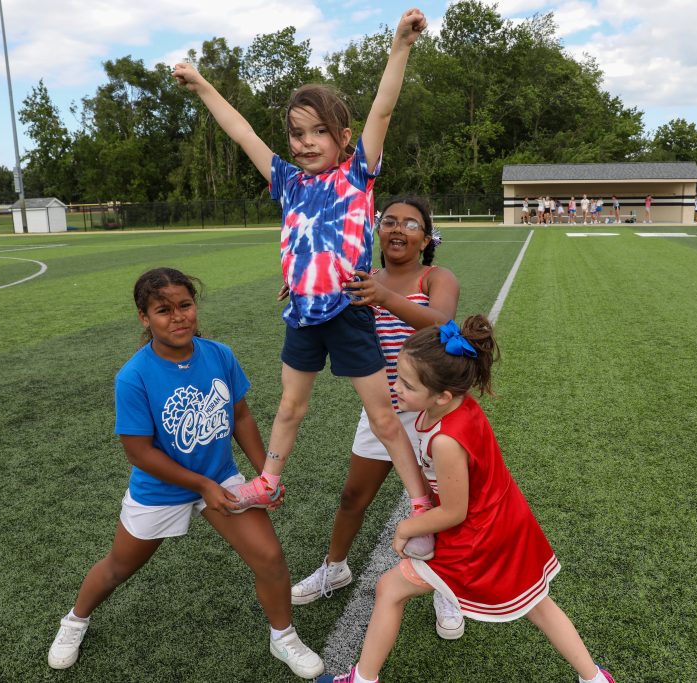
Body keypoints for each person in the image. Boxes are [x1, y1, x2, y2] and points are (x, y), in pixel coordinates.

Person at [172, 9, 433, 536]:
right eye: (296, 134)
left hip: (350, 311)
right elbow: (241, 131)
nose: (305, 143)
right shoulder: (288, 183)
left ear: (342, 136)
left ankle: (421, 500)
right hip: (302, 313)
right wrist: (202, 85)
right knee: (290, 406)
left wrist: (400, 47)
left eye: (318, 132)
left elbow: (382, 110)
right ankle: (269, 480)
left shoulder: (358, 172)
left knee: (383, 418)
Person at [46, 268, 325, 678]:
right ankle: (74, 620)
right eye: (163, 310)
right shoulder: (134, 376)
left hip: (219, 475)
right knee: (118, 567)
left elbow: (241, 416)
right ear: (144, 317)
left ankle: (283, 638)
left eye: (185, 306)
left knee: (269, 558)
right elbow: (138, 452)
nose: (177, 317)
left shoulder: (219, 354)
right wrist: (200, 485)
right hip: (161, 489)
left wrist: (266, 475)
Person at [317, 317, 615, 683]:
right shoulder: (456, 406)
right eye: (397, 376)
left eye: (407, 385)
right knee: (537, 604)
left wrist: (408, 526)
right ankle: (595, 678)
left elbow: (455, 512)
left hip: (478, 537)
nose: (395, 388)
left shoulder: (445, 440)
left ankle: (362, 680)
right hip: (505, 521)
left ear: (442, 395)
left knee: (389, 589)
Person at [291, 196, 464, 639]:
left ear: (426, 238)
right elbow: (320, 305)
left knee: (440, 507)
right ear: (377, 230)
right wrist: (302, 288)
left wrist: (384, 297)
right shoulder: (360, 279)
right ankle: (335, 568)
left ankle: (445, 584)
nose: (398, 229)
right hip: (382, 413)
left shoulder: (436, 277)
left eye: (411, 224)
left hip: (432, 417)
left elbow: (441, 325)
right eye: (389, 221)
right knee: (352, 497)